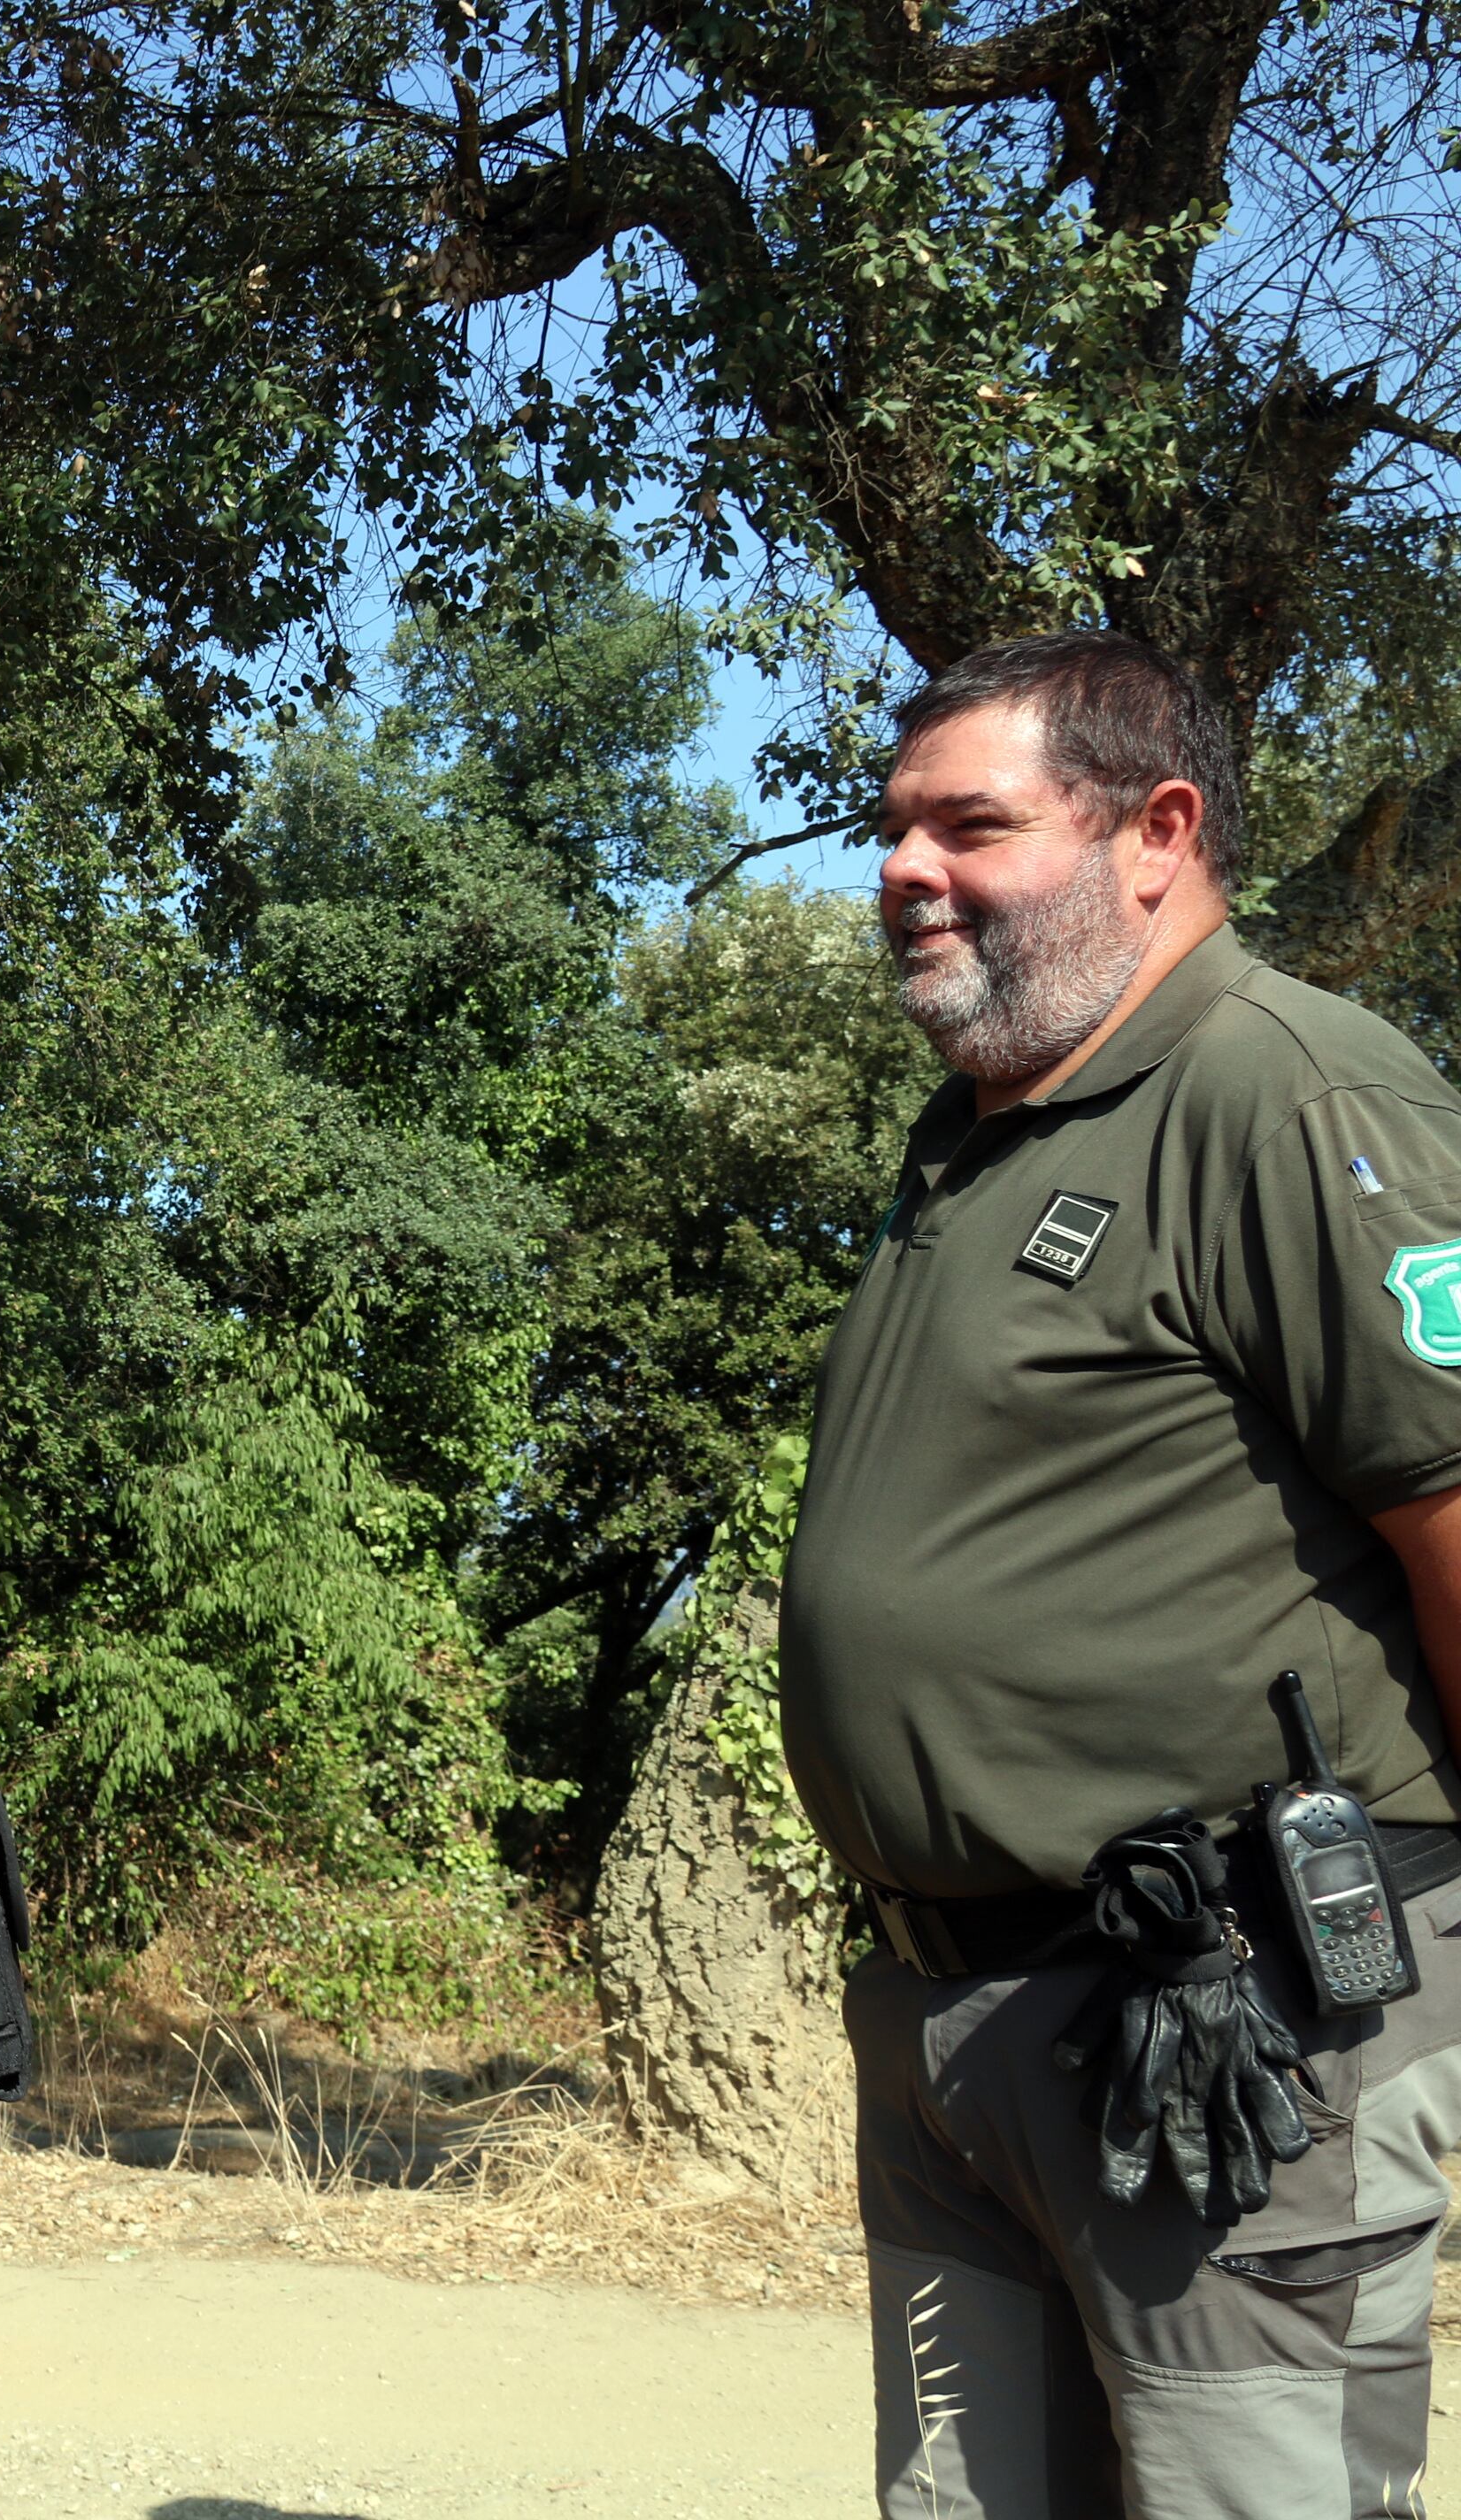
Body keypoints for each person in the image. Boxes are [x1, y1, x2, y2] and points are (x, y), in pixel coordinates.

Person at [778, 628, 1461, 2517]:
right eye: (890, 829)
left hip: (1225, 2015)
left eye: (968, 826)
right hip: (950, 2013)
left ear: (1157, 831)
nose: (902, 869)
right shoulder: (978, 1136)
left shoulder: (1290, 1088)